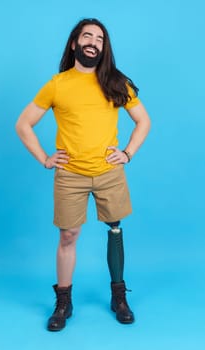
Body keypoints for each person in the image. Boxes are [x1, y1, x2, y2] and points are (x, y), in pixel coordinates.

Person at [16, 18, 150, 331]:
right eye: (86, 36)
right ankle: (63, 300)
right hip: (70, 175)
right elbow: (23, 124)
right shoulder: (57, 84)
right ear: (75, 43)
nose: (93, 42)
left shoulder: (116, 82)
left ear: (104, 48)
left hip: (109, 172)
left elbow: (144, 121)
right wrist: (45, 159)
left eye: (99, 38)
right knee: (68, 235)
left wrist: (127, 153)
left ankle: (119, 297)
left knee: (115, 229)